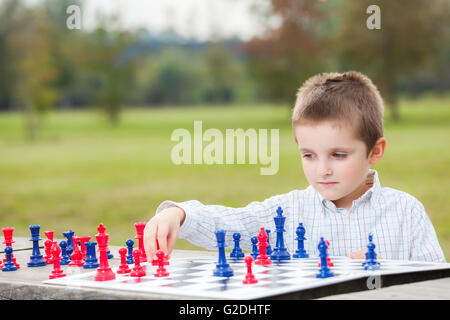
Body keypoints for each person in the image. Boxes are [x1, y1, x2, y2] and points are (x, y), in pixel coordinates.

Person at [143, 71, 446, 263]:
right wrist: (180, 214)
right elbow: (235, 222)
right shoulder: (289, 212)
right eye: (309, 155)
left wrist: (390, 280)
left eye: (338, 155)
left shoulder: (407, 213)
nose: (322, 170)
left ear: (375, 151)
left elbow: (436, 288)